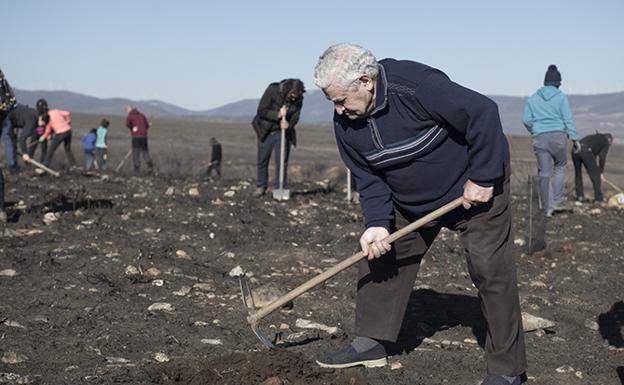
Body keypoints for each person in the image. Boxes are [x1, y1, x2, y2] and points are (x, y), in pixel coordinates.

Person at [313, 43, 526, 385]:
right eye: (332, 102)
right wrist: (378, 225)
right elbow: (369, 179)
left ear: (366, 81)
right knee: (380, 254)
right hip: (409, 200)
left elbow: (483, 112)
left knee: (490, 269)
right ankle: (371, 342)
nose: (338, 110)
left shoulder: (415, 85)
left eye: (341, 100)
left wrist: (483, 176)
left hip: (473, 189)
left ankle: (506, 369)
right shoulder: (347, 125)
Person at [523, 65, 579, 216]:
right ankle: (558, 200)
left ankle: (547, 208)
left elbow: (526, 120)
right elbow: (568, 119)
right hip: (558, 137)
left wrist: (535, 130)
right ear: (558, 82)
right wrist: (574, 138)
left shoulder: (533, 98)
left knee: (544, 172)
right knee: (560, 166)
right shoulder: (561, 97)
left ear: (545, 82)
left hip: (540, 138)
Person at [251, 78, 304, 196]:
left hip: (282, 132)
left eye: (296, 95)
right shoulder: (272, 90)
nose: (294, 98)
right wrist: (278, 114)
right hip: (266, 130)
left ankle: (280, 187)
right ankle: (261, 186)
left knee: (282, 161)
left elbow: (296, 116)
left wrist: (288, 125)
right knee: (263, 160)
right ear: (286, 91)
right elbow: (261, 111)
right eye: (292, 95)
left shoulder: (299, 98)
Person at [571, 132, 613, 202]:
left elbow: (592, 157)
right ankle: (598, 198)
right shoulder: (606, 142)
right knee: (596, 176)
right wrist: (600, 173)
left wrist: (591, 169)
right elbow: (602, 157)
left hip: (575, 149)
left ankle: (580, 196)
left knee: (578, 174)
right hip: (585, 150)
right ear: (610, 140)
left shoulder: (595, 138)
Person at [37, 98, 77, 169]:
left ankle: (45, 165)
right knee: (67, 149)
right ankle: (74, 165)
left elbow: (47, 132)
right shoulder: (55, 111)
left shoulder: (48, 122)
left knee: (51, 149)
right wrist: (68, 122)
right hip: (68, 131)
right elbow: (67, 113)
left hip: (60, 134)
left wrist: (42, 138)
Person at [125, 105, 154, 175]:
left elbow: (127, 124)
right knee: (145, 152)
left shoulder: (130, 115)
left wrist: (133, 128)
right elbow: (146, 125)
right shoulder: (142, 115)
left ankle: (136, 169)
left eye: (126, 110)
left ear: (129, 110)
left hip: (136, 137)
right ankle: (150, 166)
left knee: (136, 153)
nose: (126, 111)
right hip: (144, 136)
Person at [0, 69, 18, 174]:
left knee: (8, 141)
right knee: (8, 141)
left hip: (4, 114)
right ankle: (13, 167)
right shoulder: (4, 82)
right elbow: (13, 102)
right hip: (6, 114)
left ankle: (12, 167)